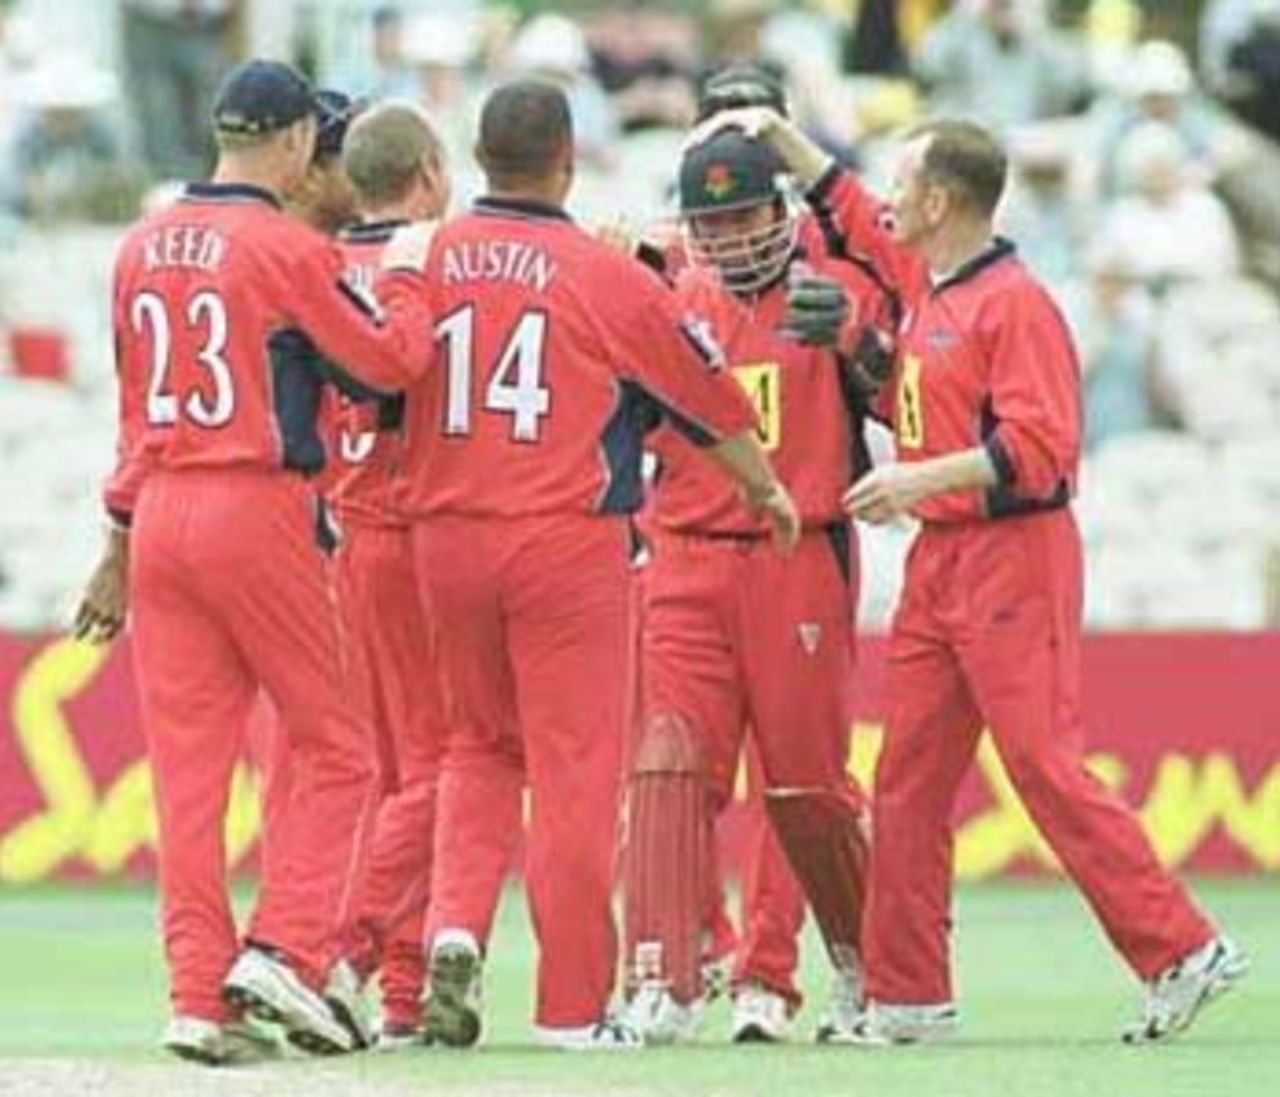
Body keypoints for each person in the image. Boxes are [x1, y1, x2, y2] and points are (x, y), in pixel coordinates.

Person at [708, 105, 1249, 1045]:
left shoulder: (1014, 302)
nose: (891, 199)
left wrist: (918, 475)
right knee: (909, 779)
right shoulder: (930, 276)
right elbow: (854, 208)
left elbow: (1040, 449)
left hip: (1012, 555)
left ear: (944, 199)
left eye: (906, 182)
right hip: (940, 559)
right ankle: (909, 997)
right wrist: (779, 134)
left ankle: (1181, 947)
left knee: (1042, 761)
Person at [405, 77, 799, 1051]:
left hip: (440, 538)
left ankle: (452, 926)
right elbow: (704, 395)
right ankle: (571, 1006)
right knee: (576, 771)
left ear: (477, 157)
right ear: (567, 161)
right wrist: (763, 486)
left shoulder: (425, 254)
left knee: (472, 747)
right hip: (562, 540)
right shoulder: (598, 271)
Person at [72, 59, 438, 1066]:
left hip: (158, 517)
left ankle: (198, 996)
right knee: (337, 744)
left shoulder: (140, 245)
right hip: (255, 504)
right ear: (284, 142)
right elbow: (388, 362)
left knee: (187, 779)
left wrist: (115, 547)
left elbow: (133, 417)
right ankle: (285, 941)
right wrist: (404, 273)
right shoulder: (281, 246)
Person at [622, 126, 891, 1048]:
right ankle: (665, 977)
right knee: (668, 765)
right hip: (687, 553)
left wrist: (862, 341)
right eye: (714, 222)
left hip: (797, 555)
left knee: (807, 783)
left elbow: (908, 400)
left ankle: (845, 973)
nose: (734, 238)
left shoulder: (832, 293)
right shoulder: (667, 301)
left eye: (747, 217)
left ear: (782, 211)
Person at [325, 100, 454, 1049]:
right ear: (432, 171)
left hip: (351, 535)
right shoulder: (437, 267)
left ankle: (402, 994)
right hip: (425, 535)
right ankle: (339, 950)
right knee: (455, 765)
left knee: (402, 771)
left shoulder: (323, 268)